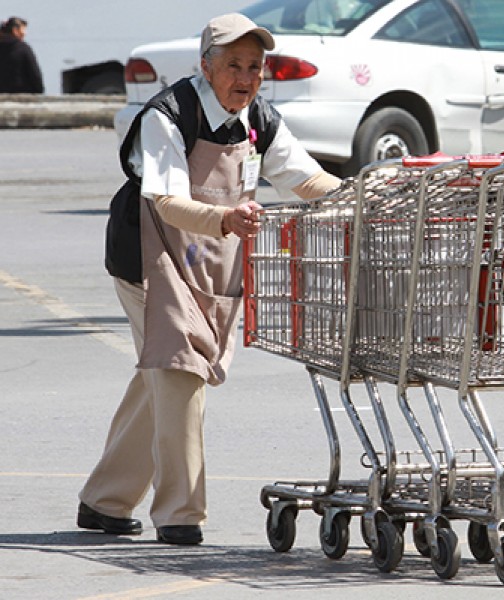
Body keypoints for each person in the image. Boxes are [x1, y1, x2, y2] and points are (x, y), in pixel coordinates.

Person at [77, 13, 341, 545]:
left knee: (162, 375)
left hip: (208, 264)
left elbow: (304, 177)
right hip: (149, 260)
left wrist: (364, 196)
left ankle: (105, 501)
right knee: (180, 373)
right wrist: (223, 219)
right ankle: (179, 512)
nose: (245, 78)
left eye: (255, 67)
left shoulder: (258, 118)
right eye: (233, 66)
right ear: (206, 66)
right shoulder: (168, 115)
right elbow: (168, 201)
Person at [0, 16, 44, 93]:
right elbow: (35, 76)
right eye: (23, 30)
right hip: (21, 98)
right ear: (15, 31)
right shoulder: (23, 48)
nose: (25, 34)